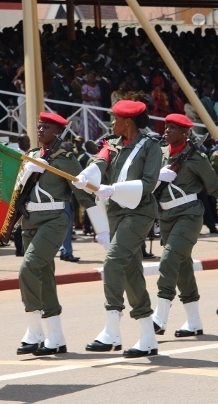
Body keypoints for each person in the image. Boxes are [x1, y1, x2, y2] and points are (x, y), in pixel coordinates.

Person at [73, 100, 162, 358]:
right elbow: (101, 161)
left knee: (113, 262)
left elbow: (149, 182)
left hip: (139, 212)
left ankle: (112, 330)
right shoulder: (113, 142)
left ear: (128, 122)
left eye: (115, 119)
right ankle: (147, 337)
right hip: (116, 212)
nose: (112, 124)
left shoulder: (151, 145)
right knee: (131, 272)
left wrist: (114, 189)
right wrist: (86, 176)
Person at [17, 112, 108, 356]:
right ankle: (55, 338)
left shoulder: (66, 160)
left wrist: (102, 231)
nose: (39, 131)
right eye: (38, 127)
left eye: (45, 127)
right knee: (44, 274)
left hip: (54, 219)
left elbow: (84, 197)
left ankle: (34, 331)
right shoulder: (33, 156)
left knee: (28, 267)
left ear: (57, 132)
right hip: (30, 220)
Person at [151, 113, 218, 338]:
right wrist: (158, 177)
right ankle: (194, 321)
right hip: (166, 216)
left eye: (172, 128)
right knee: (182, 267)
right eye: (166, 127)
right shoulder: (161, 153)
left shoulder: (197, 157)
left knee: (168, 260)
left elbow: (215, 188)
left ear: (185, 133)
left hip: (189, 214)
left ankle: (160, 317)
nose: (166, 131)